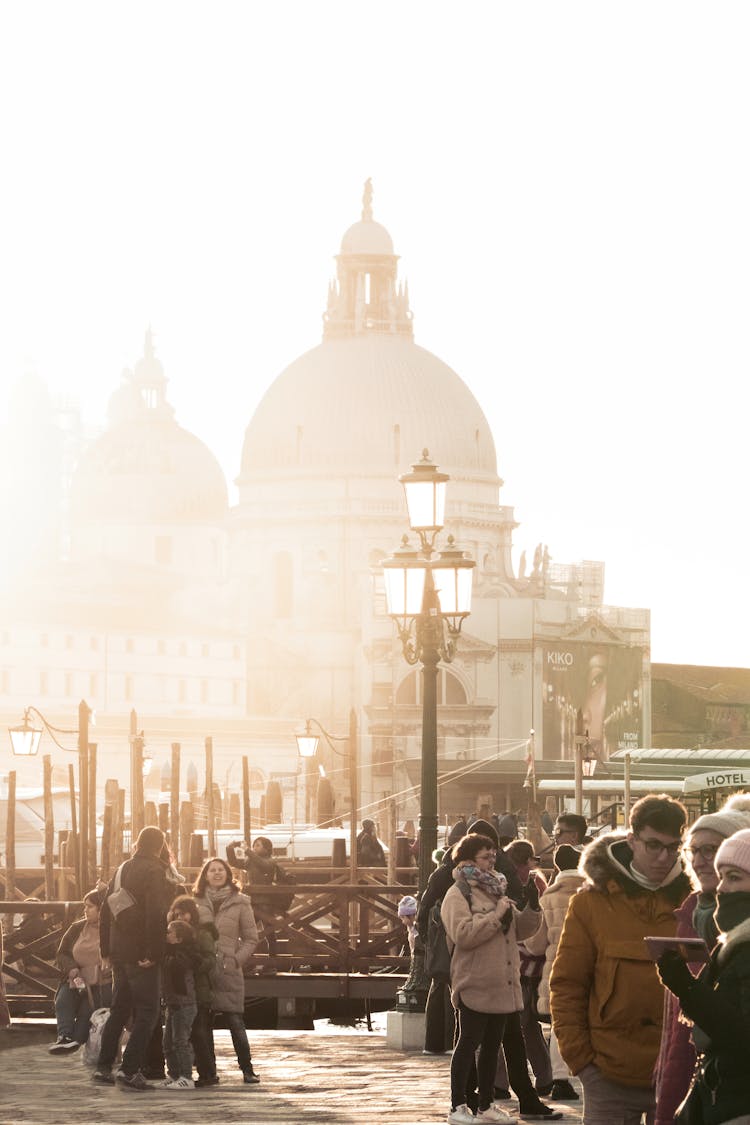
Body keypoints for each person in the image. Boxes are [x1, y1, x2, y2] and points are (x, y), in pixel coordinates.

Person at [550, 794, 691, 1125]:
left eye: (672, 848)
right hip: (608, 1076)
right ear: (632, 839)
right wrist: (583, 1062)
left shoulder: (696, 902)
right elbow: (567, 985)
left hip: (678, 1073)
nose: (663, 857)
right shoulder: (591, 903)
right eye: (653, 845)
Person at [654, 795, 750, 1125]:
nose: (722, 887)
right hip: (703, 1090)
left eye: (734, 876)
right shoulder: (699, 917)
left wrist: (687, 988)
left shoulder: (740, 942)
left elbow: (740, 1036)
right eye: (694, 850)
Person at [441, 832, 542, 1124]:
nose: (491, 862)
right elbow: (463, 934)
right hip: (474, 979)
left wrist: (532, 907)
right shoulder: (458, 893)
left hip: (502, 981)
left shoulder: (497, 888)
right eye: (485, 857)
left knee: (492, 1046)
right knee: (468, 1043)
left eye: (493, 856)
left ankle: (485, 1105)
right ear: (468, 860)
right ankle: (457, 1107)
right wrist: (496, 916)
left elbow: (520, 931)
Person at [94, 825, 174, 1090]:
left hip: (119, 953)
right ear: (160, 845)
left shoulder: (120, 869)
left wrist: (105, 951)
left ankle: (104, 1067)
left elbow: (105, 913)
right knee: (149, 1012)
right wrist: (154, 953)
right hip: (142, 954)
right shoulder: (155, 871)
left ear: (138, 843)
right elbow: (156, 914)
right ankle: (129, 1070)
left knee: (119, 1010)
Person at [523, 844, 585, 1101]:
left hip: (557, 967)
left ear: (557, 866)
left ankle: (560, 1078)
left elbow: (537, 943)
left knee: (561, 1025)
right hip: (590, 966)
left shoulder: (548, 897)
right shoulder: (592, 893)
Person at [192, 857, 260, 1084]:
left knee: (235, 1022)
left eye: (221, 870)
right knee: (201, 1024)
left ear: (228, 874)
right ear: (205, 875)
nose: (217, 873)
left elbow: (251, 938)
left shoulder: (241, 902)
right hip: (202, 970)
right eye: (212, 870)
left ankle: (247, 1069)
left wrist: (236, 960)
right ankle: (208, 1072)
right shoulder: (196, 902)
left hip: (228, 970)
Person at [496, 841, 551, 1098]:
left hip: (524, 964)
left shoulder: (529, 884)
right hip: (523, 963)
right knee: (523, 1025)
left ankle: (536, 1078)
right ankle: (541, 1077)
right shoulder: (532, 883)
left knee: (522, 1025)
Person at [50, 889, 111, 1054]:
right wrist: (71, 968)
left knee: (88, 1010)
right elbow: (61, 953)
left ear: (101, 909)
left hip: (101, 982)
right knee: (63, 999)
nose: (85, 910)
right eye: (85, 906)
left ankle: (76, 1040)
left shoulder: (112, 929)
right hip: (76, 978)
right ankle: (64, 1037)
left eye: (90, 907)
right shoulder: (77, 928)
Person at [167, 895, 220, 1087]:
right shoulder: (175, 934)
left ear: (192, 914)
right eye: (176, 913)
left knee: (199, 1033)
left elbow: (210, 960)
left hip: (199, 989)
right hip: (185, 990)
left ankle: (208, 1074)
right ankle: (186, 1073)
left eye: (183, 914)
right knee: (186, 1034)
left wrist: (191, 964)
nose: (179, 917)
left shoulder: (201, 934)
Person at [226, 836, 294, 960]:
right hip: (252, 901)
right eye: (254, 845)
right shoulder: (251, 860)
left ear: (267, 849)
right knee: (247, 930)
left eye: (258, 845)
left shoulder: (270, 861)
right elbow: (234, 862)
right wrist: (230, 848)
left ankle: (272, 961)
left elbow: (264, 866)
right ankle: (250, 959)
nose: (254, 847)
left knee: (269, 931)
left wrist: (247, 850)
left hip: (266, 902)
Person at [160, 919, 200, 1089]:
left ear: (179, 938)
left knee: (180, 1041)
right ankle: (174, 1074)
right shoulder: (170, 952)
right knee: (167, 1042)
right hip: (172, 1003)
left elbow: (179, 967)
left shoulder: (184, 954)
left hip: (184, 1003)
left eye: (169, 932)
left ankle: (186, 1076)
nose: (166, 935)